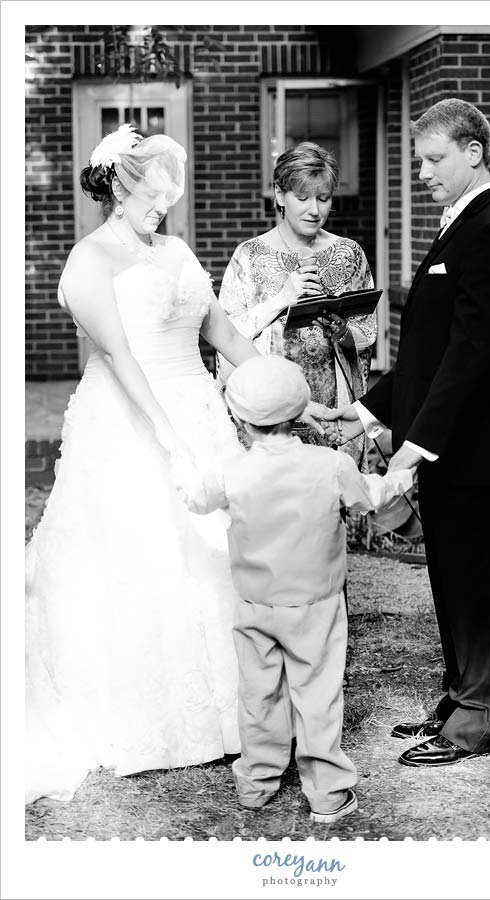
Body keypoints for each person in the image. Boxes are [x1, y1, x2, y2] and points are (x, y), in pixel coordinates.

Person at [25, 124, 267, 805]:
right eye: (152, 195)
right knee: (151, 557)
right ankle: (154, 719)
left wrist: (277, 387)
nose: (163, 207)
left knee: (220, 559)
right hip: (134, 422)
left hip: (199, 408)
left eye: (169, 196)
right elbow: (126, 361)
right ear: (117, 187)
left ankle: (237, 710)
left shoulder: (177, 249)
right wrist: (171, 442)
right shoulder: (88, 262)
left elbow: (219, 330)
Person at [323, 98, 490, 767]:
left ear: (474, 152)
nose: (422, 171)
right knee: (453, 579)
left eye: (434, 157)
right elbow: (428, 354)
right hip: (448, 446)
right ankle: (458, 699)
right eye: (419, 159)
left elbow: (473, 356)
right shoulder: (461, 226)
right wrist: (359, 411)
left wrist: (415, 446)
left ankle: (481, 720)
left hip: (470, 449)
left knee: (483, 583)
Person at [177, 355, 414, 822]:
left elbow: (195, 496)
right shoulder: (332, 465)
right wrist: (402, 474)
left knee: (258, 693)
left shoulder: (232, 472)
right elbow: (371, 497)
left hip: (254, 605)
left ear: (240, 419)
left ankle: (256, 782)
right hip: (315, 606)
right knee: (318, 694)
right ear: (301, 409)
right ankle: (326, 792)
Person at [217, 141, 377, 472]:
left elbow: (368, 331)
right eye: (302, 198)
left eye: (323, 198)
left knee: (329, 505)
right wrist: (281, 300)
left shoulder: (349, 254)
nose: (314, 210)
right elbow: (227, 333)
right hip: (271, 412)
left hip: (333, 409)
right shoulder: (250, 255)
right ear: (279, 195)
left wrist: (343, 330)